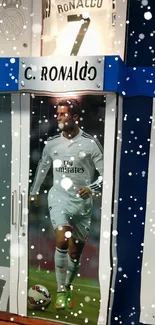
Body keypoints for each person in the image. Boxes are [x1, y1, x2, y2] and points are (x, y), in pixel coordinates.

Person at [29, 98, 103, 310]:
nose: (59, 118)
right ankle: (61, 290)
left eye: (63, 114)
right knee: (62, 238)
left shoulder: (90, 144)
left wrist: (92, 188)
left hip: (82, 204)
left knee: (74, 253)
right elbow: (43, 167)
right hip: (59, 198)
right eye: (58, 114)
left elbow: (106, 174)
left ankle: (67, 285)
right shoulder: (52, 144)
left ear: (76, 118)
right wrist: (34, 192)